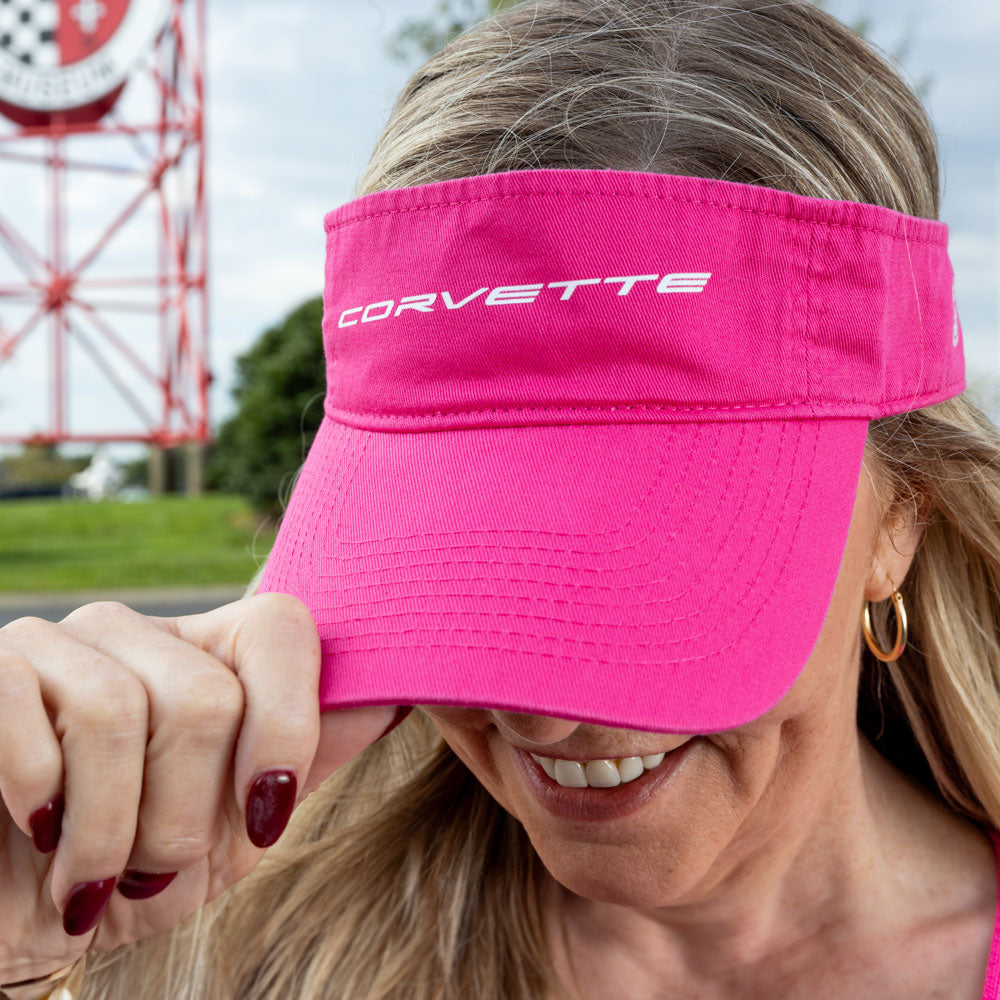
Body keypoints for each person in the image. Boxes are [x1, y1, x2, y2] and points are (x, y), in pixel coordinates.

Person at [3, 1, 1000, 998]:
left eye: (650, 578)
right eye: (457, 571)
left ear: (899, 519)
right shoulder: (210, 932)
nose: (542, 724)